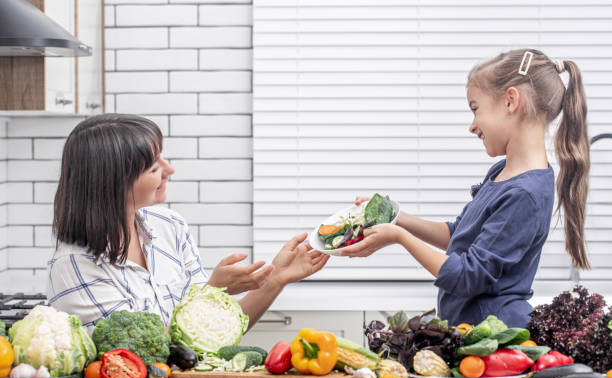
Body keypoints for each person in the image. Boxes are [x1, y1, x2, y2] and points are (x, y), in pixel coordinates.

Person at [342, 49, 590, 328]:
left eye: (476, 109)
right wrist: (396, 217)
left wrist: (399, 237)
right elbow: (459, 236)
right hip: (472, 333)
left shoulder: (525, 195)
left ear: (510, 101)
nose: (472, 126)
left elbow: (468, 277)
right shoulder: (502, 172)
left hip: (495, 339)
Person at [47, 113, 329, 331]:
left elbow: (215, 331)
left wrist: (276, 278)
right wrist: (212, 291)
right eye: (155, 167)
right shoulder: (73, 265)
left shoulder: (168, 225)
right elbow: (136, 357)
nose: (170, 169)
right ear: (114, 183)